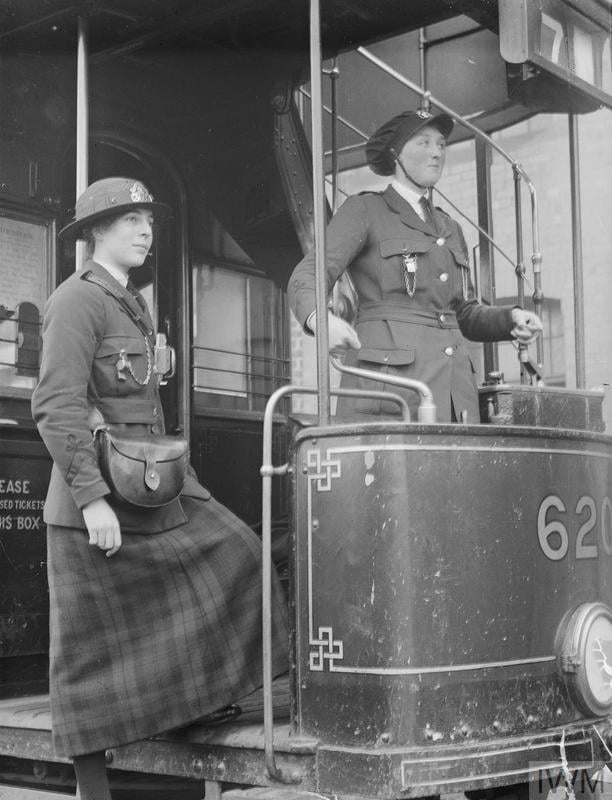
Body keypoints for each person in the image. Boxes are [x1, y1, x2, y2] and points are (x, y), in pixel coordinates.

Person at [31, 177, 288, 800]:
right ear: (95, 234)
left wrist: (186, 488)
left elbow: (144, 411)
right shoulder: (76, 301)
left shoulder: (132, 302)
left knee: (239, 555)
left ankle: (191, 710)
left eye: (148, 219)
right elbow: (55, 405)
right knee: (89, 663)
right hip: (94, 501)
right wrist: (92, 500)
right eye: (129, 220)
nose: (146, 230)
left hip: (152, 487)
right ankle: (94, 792)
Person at [288, 109, 543, 423]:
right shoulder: (365, 210)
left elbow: (463, 313)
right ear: (396, 154)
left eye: (441, 144)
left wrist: (510, 318)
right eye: (423, 143)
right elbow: (307, 274)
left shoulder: (450, 227)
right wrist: (321, 321)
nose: (436, 152)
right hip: (392, 396)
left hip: (453, 396)